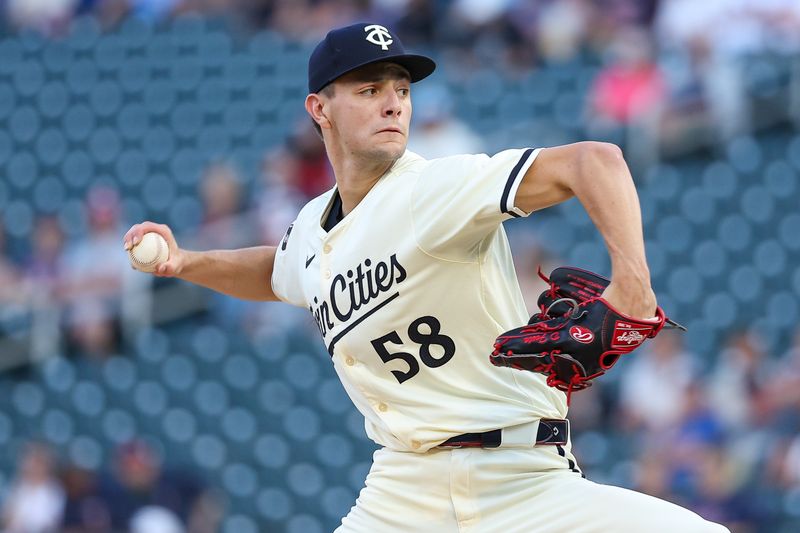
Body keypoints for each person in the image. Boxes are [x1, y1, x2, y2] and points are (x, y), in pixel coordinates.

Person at [124, 22, 728, 532]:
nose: (393, 102)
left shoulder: (432, 190)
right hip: (402, 489)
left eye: (402, 89)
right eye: (368, 89)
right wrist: (187, 263)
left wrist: (634, 288)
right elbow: (281, 270)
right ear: (319, 109)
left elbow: (595, 161)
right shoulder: (312, 225)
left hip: (520, 478)